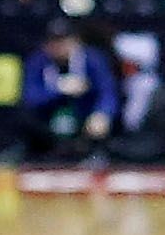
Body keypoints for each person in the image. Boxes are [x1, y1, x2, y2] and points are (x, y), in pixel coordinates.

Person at [20, 19, 118, 160]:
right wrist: (58, 89)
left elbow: (107, 90)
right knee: (25, 118)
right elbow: (29, 96)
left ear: (76, 41)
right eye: (53, 42)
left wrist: (102, 113)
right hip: (48, 126)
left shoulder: (92, 59)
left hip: (84, 121)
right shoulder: (37, 61)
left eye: (63, 41)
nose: (59, 47)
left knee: (102, 124)